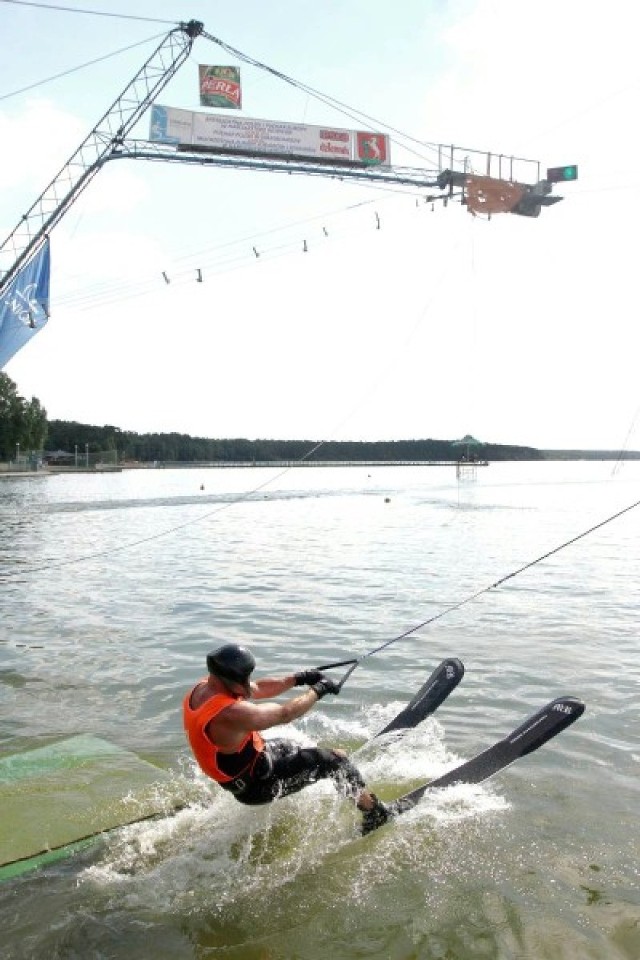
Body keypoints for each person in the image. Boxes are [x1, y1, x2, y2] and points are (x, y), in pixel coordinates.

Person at [183, 643, 396, 834]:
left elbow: (256, 689)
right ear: (229, 679)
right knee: (335, 762)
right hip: (258, 787)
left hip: (253, 763)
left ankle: (330, 767)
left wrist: (300, 678)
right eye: (245, 677)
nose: (249, 682)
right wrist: (318, 690)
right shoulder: (229, 714)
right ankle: (375, 813)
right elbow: (285, 714)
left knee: (294, 746)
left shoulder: (206, 687)